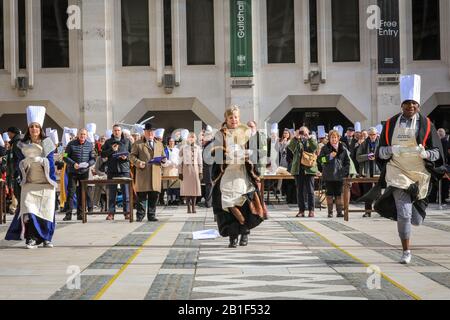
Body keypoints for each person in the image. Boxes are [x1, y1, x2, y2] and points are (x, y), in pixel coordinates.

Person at [376, 74, 444, 264]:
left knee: (416, 219)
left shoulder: (427, 125)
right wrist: (391, 149)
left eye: (414, 103)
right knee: (404, 213)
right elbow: (380, 153)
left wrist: (426, 154)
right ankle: (406, 251)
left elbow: (438, 153)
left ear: (418, 105)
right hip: (397, 171)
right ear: (401, 105)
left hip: (419, 174)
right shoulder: (390, 124)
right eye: (407, 103)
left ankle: (406, 216)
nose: (410, 107)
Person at [212, 106, 265, 248]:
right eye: (231, 117)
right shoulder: (220, 135)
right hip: (227, 174)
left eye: (236, 117)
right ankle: (232, 236)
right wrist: (227, 156)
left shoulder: (246, 133)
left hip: (242, 174)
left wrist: (250, 155)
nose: (233, 120)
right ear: (226, 119)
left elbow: (255, 153)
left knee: (244, 204)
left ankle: (245, 233)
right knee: (228, 205)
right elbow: (216, 154)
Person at [5, 106, 57, 249]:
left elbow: (51, 163)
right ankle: (31, 238)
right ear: (28, 129)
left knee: (46, 211)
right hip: (29, 182)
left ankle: (46, 238)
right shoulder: (23, 144)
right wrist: (25, 162)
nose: (34, 129)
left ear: (40, 129)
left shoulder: (47, 143)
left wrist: (42, 161)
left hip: (46, 182)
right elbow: (18, 163)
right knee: (30, 211)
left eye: (37, 127)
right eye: (32, 127)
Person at [130, 123, 166, 222]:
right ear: (144, 132)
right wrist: (138, 162)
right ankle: (140, 215)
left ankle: (151, 215)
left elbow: (163, 156)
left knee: (154, 196)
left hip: (155, 173)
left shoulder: (159, 144)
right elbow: (131, 156)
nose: (150, 133)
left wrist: (163, 160)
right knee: (141, 196)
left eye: (152, 131)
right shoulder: (138, 144)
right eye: (148, 131)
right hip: (143, 173)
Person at [62, 129, 96, 221]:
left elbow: (93, 158)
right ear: (78, 135)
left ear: (86, 135)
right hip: (73, 172)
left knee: (82, 193)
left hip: (84, 172)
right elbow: (64, 156)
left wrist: (88, 164)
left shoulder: (90, 145)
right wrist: (73, 164)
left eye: (84, 134)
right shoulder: (71, 144)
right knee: (71, 193)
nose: (82, 136)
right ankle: (68, 214)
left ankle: (80, 214)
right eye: (81, 134)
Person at [101, 124, 132, 221]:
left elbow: (132, 155)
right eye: (115, 130)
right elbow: (102, 154)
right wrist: (111, 150)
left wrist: (126, 157)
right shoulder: (108, 142)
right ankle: (111, 213)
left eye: (118, 130)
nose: (117, 132)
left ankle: (127, 213)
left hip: (124, 170)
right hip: (112, 170)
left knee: (126, 193)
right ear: (112, 132)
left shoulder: (127, 141)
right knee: (112, 193)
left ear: (121, 131)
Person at [319, 129, 350, 218]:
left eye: (335, 137)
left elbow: (347, 162)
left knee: (338, 194)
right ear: (329, 138)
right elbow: (320, 160)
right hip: (328, 175)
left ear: (338, 138)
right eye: (332, 137)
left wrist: (344, 171)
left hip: (339, 175)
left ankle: (339, 212)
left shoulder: (343, 148)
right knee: (329, 194)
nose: (333, 139)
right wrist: (329, 157)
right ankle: (330, 212)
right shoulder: (325, 148)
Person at [288, 126, 318, 218]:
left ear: (308, 132)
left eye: (304, 132)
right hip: (298, 169)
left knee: (310, 190)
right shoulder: (297, 140)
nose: (303, 134)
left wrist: (308, 138)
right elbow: (291, 147)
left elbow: (314, 148)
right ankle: (301, 210)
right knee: (300, 191)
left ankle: (311, 210)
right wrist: (295, 137)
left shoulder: (311, 139)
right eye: (301, 132)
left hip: (309, 169)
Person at [356, 127, 380, 217]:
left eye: (374, 134)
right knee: (367, 192)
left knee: (379, 191)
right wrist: (367, 156)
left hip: (378, 170)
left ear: (377, 134)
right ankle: (367, 211)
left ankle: (381, 210)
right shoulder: (364, 143)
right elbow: (358, 157)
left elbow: (385, 154)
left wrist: (376, 156)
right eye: (370, 134)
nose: (372, 136)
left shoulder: (381, 143)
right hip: (367, 171)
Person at [179, 132, 203, 213]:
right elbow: (180, 161)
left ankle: (194, 206)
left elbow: (200, 160)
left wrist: (200, 171)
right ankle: (188, 207)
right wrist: (180, 172)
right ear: (187, 138)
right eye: (190, 137)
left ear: (195, 138)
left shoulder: (198, 148)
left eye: (193, 137)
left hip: (195, 170)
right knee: (187, 189)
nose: (191, 138)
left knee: (194, 189)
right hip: (186, 170)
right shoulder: (183, 147)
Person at [5, 127, 22, 213]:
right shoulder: (13, 143)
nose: (8, 136)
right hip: (14, 170)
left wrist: (16, 170)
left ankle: (18, 207)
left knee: (17, 190)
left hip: (17, 171)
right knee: (15, 190)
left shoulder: (17, 142)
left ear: (12, 133)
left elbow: (18, 157)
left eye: (9, 134)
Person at [163, 137, 180, 206]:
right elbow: (163, 159)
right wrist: (169, 163)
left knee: (175, 184)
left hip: (175, 169)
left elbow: (179, 158)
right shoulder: (165, 150)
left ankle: (175, 199)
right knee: (169, 185)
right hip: (167, 168)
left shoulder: (177, 150)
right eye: (170, 141)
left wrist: (176, 163)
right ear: (168, 142)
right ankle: (169, 199)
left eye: (172, 141)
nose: (171, 142)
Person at [201, 127, 214, 208]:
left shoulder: (211, 144)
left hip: (210, 167)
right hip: (208, 167)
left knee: (209, 184)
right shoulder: (208, 144)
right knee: (208, 184)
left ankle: (208, 203)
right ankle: (208, 201)